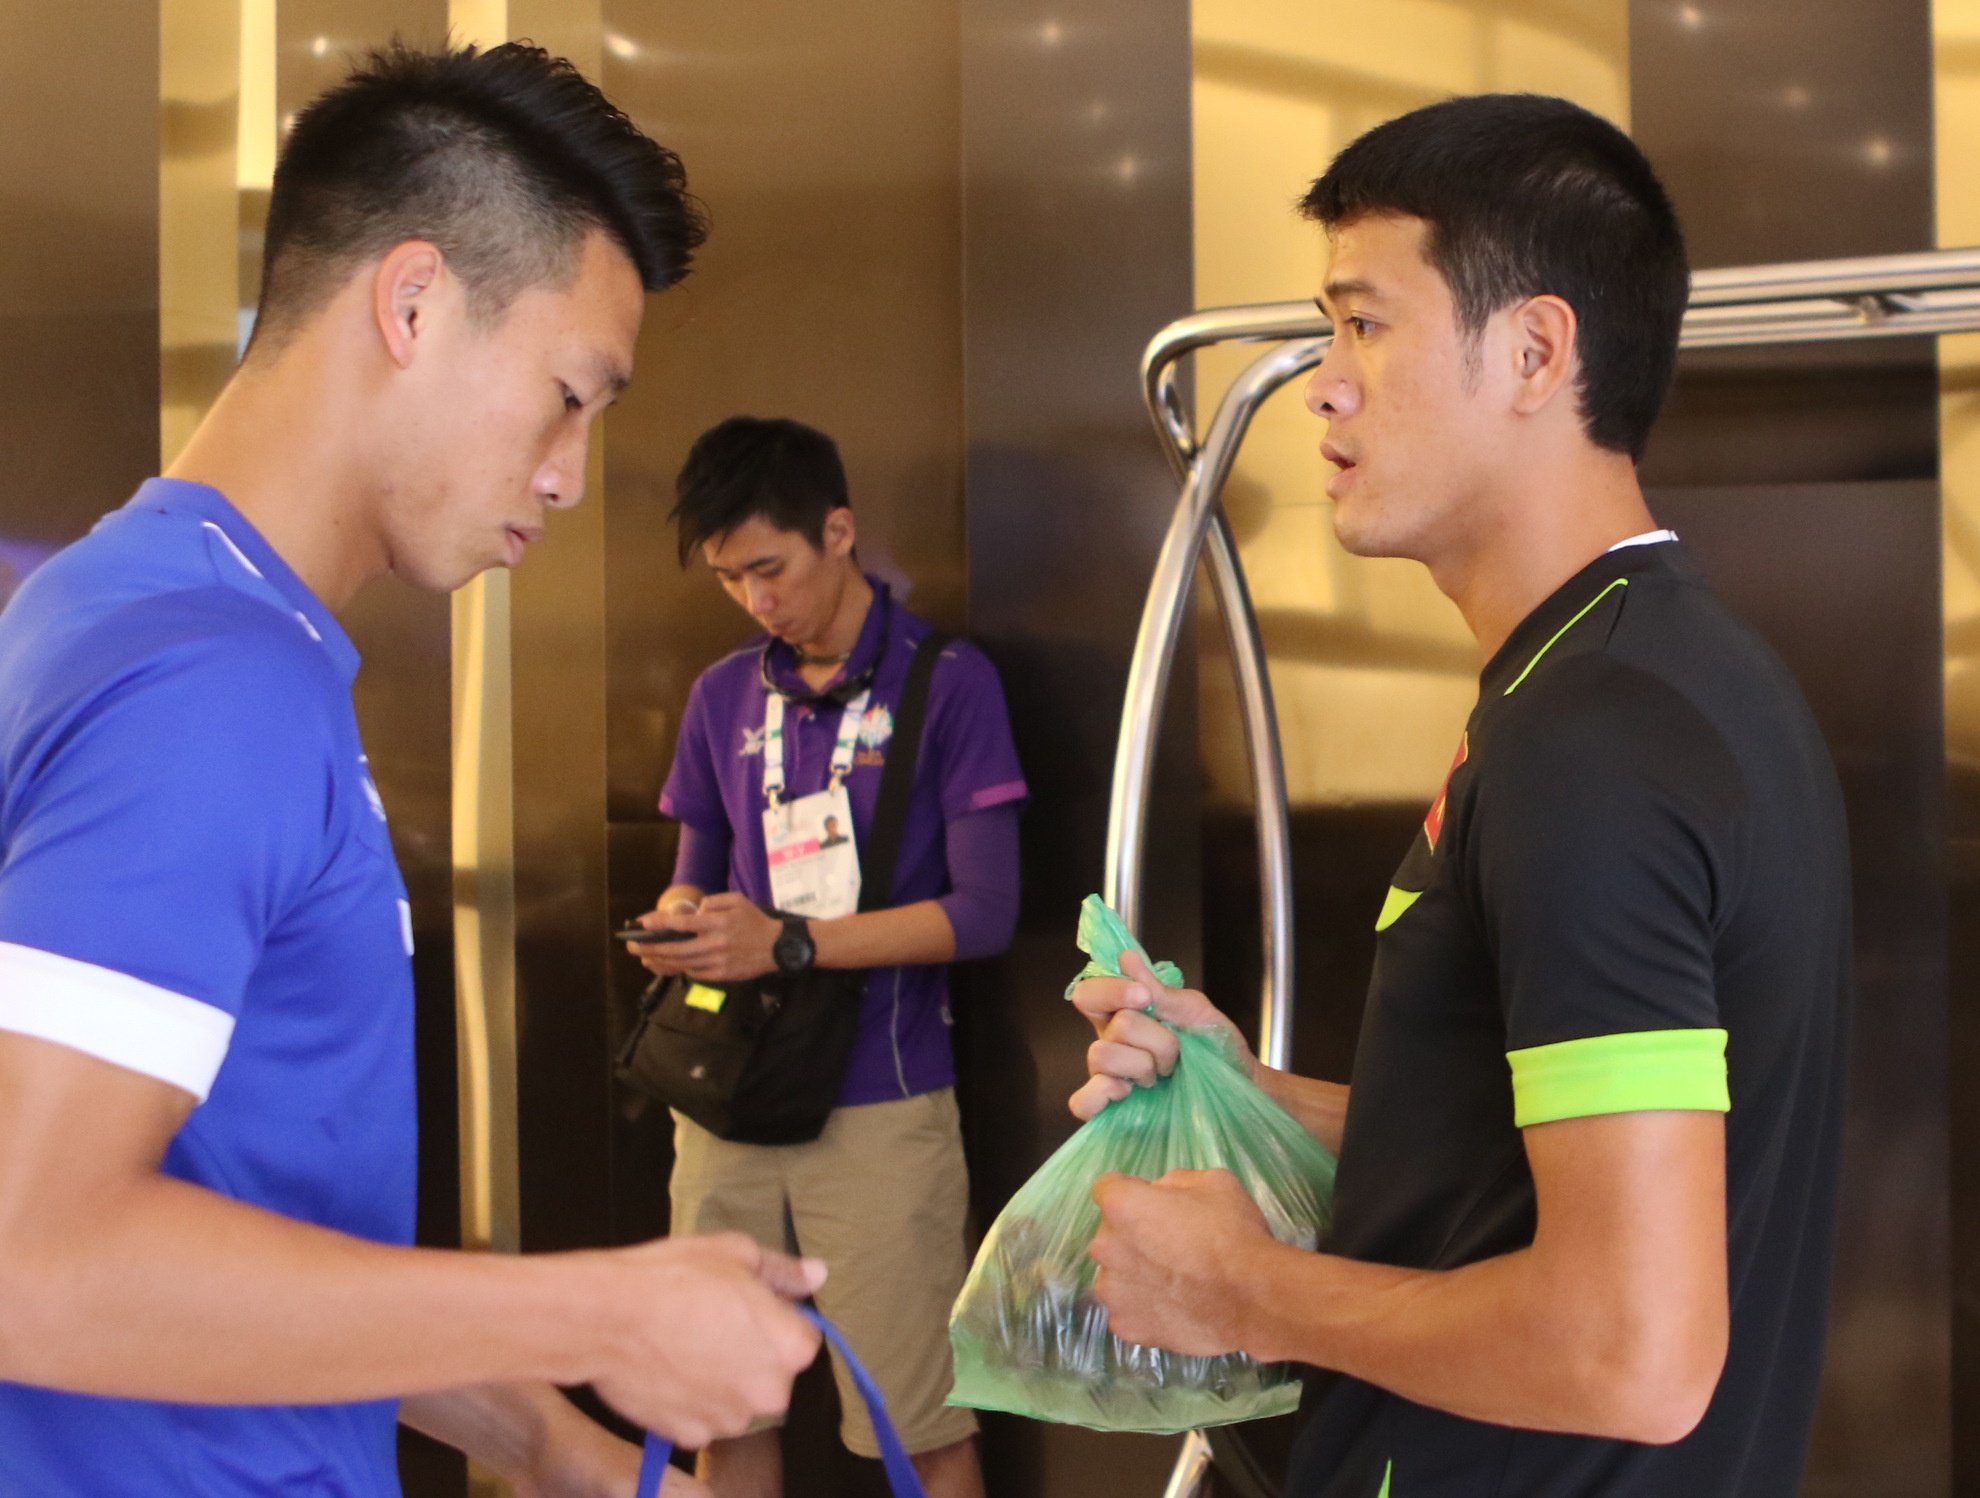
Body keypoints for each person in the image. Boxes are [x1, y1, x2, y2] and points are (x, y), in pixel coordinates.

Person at [0, 43, 828, 1498]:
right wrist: (601, 1311)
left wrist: (568, 1453)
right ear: (413, 302)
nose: (571, 474)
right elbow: (35, 1257)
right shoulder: (216, 683)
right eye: (568, 394)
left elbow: (246, 1225)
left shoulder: (124, 607)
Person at [1072, 95, 1850, 1498]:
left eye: (1364, 324)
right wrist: (1249, 1092)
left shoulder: (1593, 741)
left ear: (1537, 353)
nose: (1324, 386)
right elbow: (1535, 1156)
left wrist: (1241, 1290)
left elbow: (1634, 1351)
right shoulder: (1657, 675)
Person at [632, 415, 1026, 1498]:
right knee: (723, 1411)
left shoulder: (947, 681)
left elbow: (987, 912)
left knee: (921, 1426)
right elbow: (692, 868)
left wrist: (790, 942)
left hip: (882, 1101)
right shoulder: (722, 695)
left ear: (839, 531)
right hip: (727, 1095)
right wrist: (680, 922)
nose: (756, 600)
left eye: (770, 568)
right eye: (730, 579)